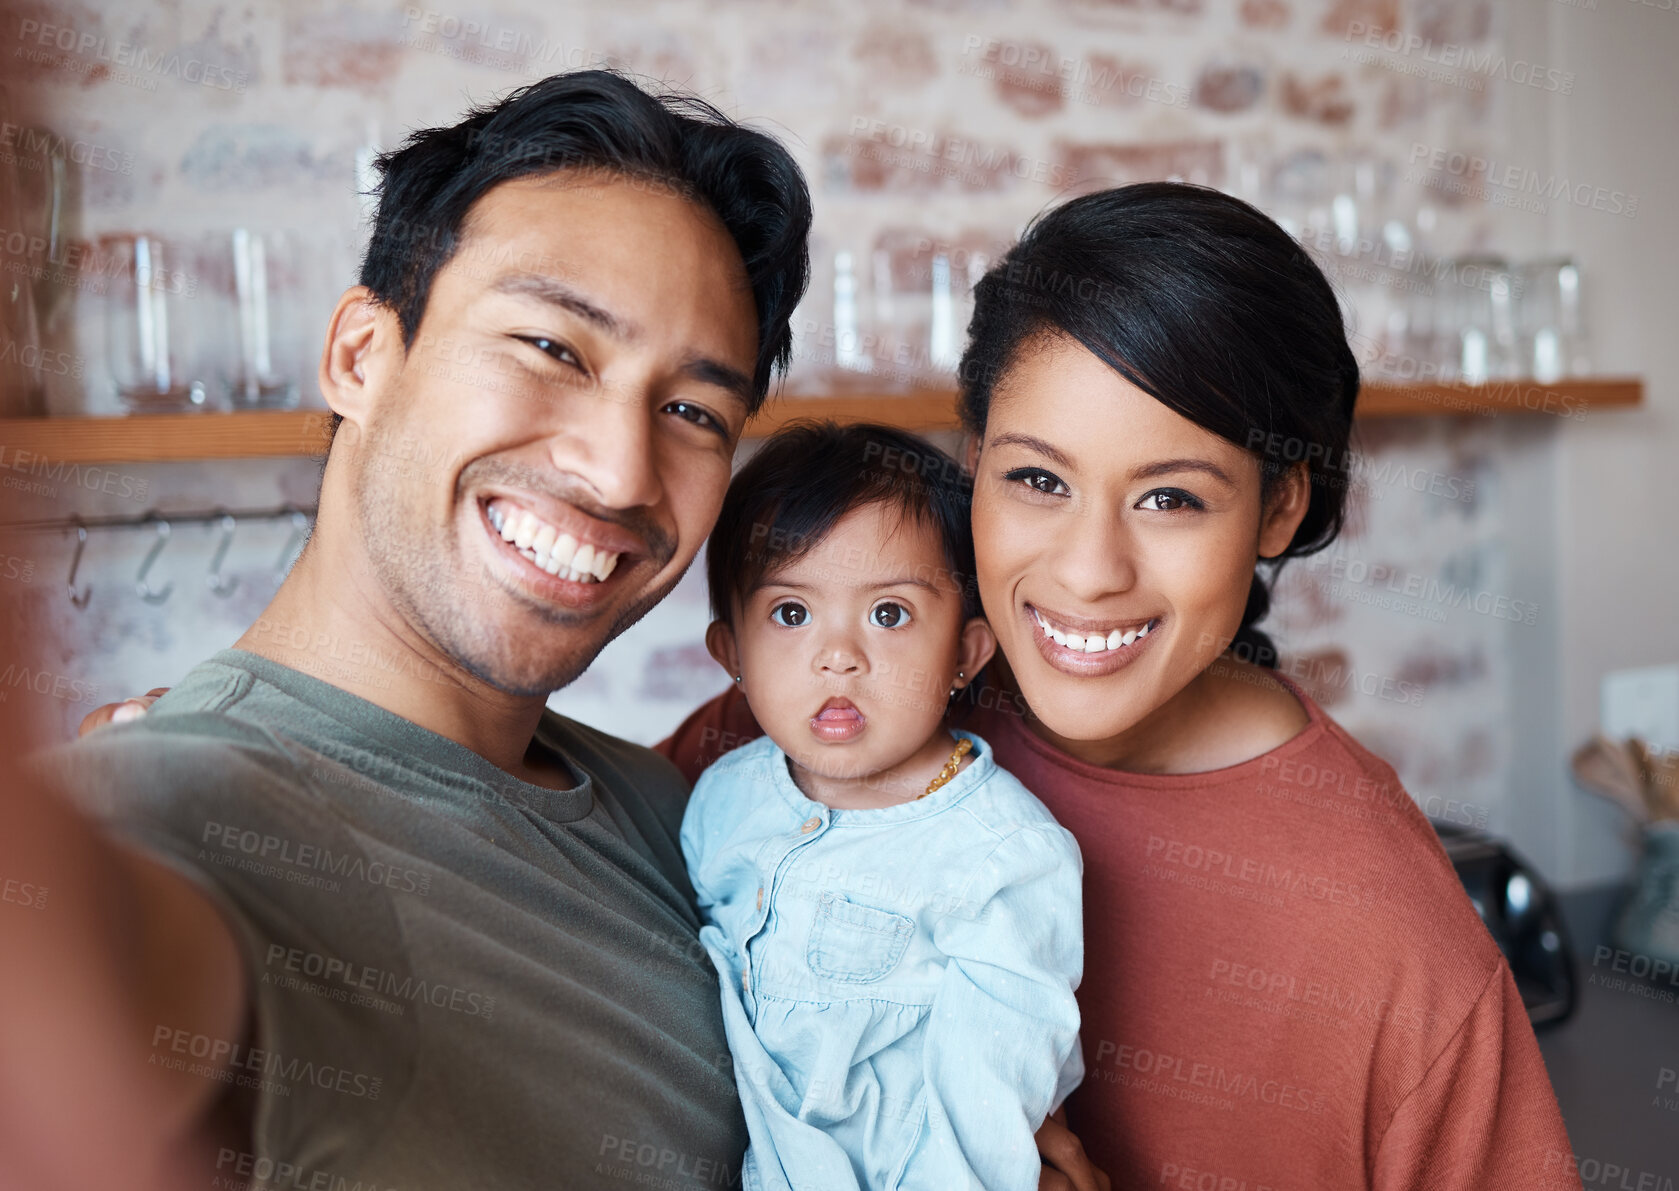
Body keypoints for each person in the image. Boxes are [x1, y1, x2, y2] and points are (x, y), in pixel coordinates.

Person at [3, 69, 1103, 1191]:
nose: (621, 469)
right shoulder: (166, 815)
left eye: (690, 412)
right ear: (359, 357)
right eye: (553, 349)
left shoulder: (689, 808)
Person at [661, 183, 1584, 1190]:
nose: (1088, 569)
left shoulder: (1397, 955)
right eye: (1038, 481)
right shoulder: (837, 720)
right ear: (975, 465)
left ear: (1276, 509)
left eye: (1169, 497)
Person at [682, 422, 1084, 1189]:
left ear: (965, 654)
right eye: (791, 613)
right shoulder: (720, 801)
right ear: (730, 653)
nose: (839, 654)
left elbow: (984, 1113)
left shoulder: (1005, 858)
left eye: (889, 614)